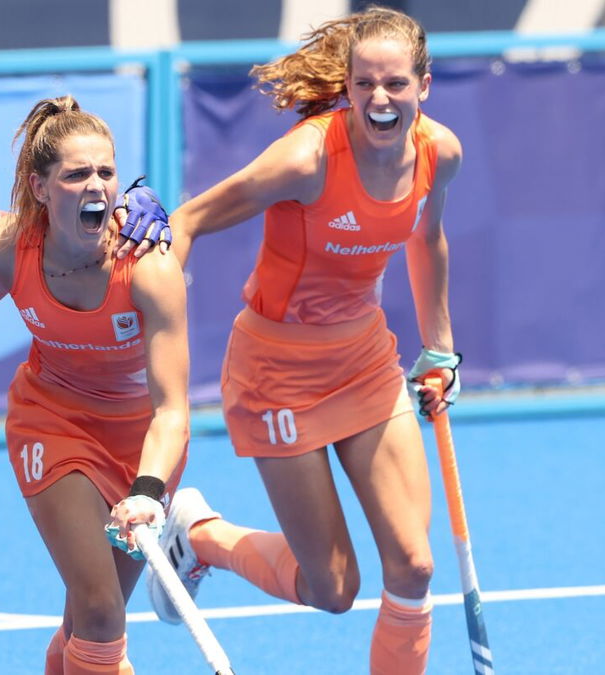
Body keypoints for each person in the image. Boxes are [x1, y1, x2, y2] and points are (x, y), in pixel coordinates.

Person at [132, 7, 463, 674]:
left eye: (396, 84)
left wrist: (440, 347)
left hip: (365, 358)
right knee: (333, 589)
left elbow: (426, 236)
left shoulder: (439, 152)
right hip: (276, 372)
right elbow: (191, 218)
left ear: (423, 86)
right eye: (364, 83)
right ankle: (200, 536)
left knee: (415, 564)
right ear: (346, 83)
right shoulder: (308, 157)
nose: (379, 99)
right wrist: (159, 345)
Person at [0, 96, 191, 674]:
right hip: (50, 423)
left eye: (106, 173)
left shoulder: (150, 268)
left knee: (85, 626)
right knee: (103, 614)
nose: (96, 186)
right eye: (77, 174)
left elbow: (173, 412)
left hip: (140, 445)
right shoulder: (8, 247)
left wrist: (149, 490)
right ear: (40, 187)